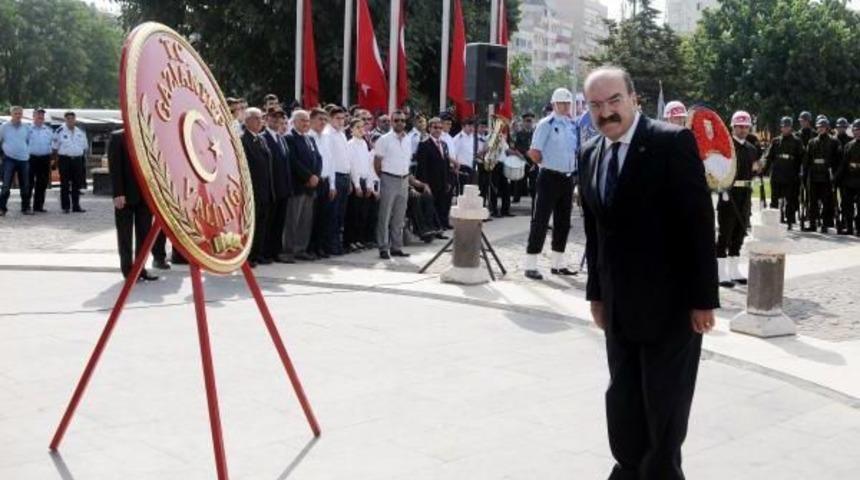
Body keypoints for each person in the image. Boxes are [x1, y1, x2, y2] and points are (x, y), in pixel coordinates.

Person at [579, 66, 718, 480]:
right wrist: (596, 293)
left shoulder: (670, 142)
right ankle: (627, 470)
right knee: (622, 402)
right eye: (596, 105)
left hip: (670, 308)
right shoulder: (589, 152)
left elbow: (698, 225)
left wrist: (703, 300)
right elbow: (595, 232)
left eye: (614, 100)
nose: (606, 112)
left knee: (664, 410)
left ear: (634, 99)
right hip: (618, 308)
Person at [523, 87, 579, 280]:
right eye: (561, 103)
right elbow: (534, 152)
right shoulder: (546, 123)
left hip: (567, 178)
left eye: (567, 103)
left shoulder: (572, 125)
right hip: (549, 176)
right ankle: (531, 264)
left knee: (563, 222)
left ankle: (558, 263)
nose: (565, 106)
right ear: (554, 104)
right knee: (541, 220)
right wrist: (546, 164)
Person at [108, 129, 159, 281]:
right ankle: (127, 270)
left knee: (144, 234)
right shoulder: (118, 137)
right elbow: (114, 167)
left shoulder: (148, 135)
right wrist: (118, 193)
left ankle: (140, 268)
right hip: (125, 195)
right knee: (125, 235)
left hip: (145, 195)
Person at [716, 111, 759, 287]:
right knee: (725, 232)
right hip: (729, 192)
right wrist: (722, 188)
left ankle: (734, 269)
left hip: (745, 194)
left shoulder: (752, 149)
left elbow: (754, 170)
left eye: (746, 127)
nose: (743, 130)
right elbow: (717, 170)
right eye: (739, 127)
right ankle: (720, 272)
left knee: (739, 233)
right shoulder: (726, 147)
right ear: (733, 127)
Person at [374, 109, 413, 259]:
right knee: (385, 215)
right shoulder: (384, 140)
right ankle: (383, 247)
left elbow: (407, 161)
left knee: (399, 216)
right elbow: (377, 162)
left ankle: (396, 247)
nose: (400, 123)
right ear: (391, 122)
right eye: (396, 120)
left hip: (404, 179)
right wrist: (384, 176)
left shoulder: (408, 139)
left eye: (402, 120)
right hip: (389, 178)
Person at [284, 109, 322, 262]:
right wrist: (308, 176)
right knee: (293, 219)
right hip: (298, 185)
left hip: (311, 186)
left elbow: (318, 158)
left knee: (305, 220)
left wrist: (316, 175)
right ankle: (288, 250)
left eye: (307, 120)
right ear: (294, 122)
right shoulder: (289, 138)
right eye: (302, 120)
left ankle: (301, 248)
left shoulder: (310, 138)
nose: (306, 123)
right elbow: (293, 161)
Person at [241, 108, 275, 267]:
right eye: (257, 118)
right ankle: (247, 256)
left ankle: (257, 254)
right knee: (251, 225)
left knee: (261, 223)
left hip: (264, 189)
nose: (261, 122)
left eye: (261, 119)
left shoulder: (261, 139)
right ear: (248, 120)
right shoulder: (243, 140)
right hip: (252, 189)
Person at [261, 108, 293, 262]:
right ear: (267, 119)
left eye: (280, 118)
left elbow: (286, 164)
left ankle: (275, 251)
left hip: (283, 188)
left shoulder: (281, 138)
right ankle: (265, 252)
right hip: (271, 188)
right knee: (268, 222)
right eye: (273, 117)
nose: (277, 121)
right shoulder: (263, 138)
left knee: (279, 222)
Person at [763, 116, 804, 230]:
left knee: (790, 199)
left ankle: (789, 221)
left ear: (791, 127)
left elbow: (802, 158)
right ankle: (774, 221)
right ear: (781, 128)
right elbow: (769, 157)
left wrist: (801, 172)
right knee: (774, 199)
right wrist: (763, 170)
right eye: (783, 126)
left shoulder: (797, 141)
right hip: (777, 175)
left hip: (790, 175)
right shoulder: (776, 141)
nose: (785, 128)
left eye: (787, 126)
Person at [308, 108, 338, 258]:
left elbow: (331, 162)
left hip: (326, 182)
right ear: (312, 120)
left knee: (324, 217)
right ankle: (310, 248)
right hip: (314, 181)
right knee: (312, 217)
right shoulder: (308, 137)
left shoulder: (327, 138)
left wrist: (332, 185)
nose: (323, 122)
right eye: (320, 119)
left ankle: (320, 247)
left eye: (325, 120)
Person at [415, 117, 453, 233]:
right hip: (430, 181)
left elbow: (446, 163)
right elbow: (422, 167)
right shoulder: (424, 144)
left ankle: (440, 228)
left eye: (440, 128)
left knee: (442, 205)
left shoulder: (444, 144)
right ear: (429, 128)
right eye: (435, 127)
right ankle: (432, 229)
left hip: (442, 180)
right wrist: (424, 184)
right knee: (432, 207)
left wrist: (448, 181)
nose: (438, 130)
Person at [803, 116, 840, 233]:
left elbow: (837, 159)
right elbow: (807, 159)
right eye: (819, 127)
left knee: (827, 201)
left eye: (823, 127)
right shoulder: (812, 142)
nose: (821, 129)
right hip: (814, 176)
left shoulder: (834, 142)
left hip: (826, 176)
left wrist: (835, 175)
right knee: (812, 201)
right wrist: (804, 174)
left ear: (827, 128)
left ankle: (825, 224)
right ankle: (812, 224)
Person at [345, 118, 376, 251]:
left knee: (363, 213)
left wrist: (369, 185)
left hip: (364, 180)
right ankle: (350, 240)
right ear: (351, 130)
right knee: (353, 213)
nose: (360, 129)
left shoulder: (364, 143)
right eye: (357, 127)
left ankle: (359, 239)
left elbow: (368, 165)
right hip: (355, 181)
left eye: (362, 127)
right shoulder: (350, 144)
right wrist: (357, 185)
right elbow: (353, 166)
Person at [324, 106, 352, 255]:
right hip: (335, 176)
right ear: (330, 119)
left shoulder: (341, 134)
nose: (341, 121)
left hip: (345, 176)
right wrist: (332, 184)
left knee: (341, 214)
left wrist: (350, 179)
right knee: (332, 214)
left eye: (343, 118)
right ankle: (331, 245)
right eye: (337, 118)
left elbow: (346, 158)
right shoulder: (328, 134)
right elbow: (330, 160)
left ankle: (337, 243)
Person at [52, 111, 88, 213]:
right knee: (65, 184)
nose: (70, 120)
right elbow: (54, 147)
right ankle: (65, 207)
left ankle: (76, 206)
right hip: (65, 159)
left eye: (72, 118)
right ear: (65, 120)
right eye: (68, 119)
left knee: (77, 184)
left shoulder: (80, 132)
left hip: (77, 160)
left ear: (75, 119)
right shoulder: (59, 131)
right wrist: (55, 161)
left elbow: (84, 147)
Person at [0, 106, 32, 216]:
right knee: (6, 185)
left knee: (25, 185)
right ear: (11, 114)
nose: (18, 115)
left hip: (24, 159)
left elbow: (28, 141)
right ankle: (2, 208)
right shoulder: (4, 127)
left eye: (20, 113)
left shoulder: (26, 127)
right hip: (9, 159)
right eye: (16, 113)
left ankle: (26, 208)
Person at [836, 119, 860, 236]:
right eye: (855, 130)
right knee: (847, 205)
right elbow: (843, 164)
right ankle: (849, 227)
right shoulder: (848, 145)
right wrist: (836, 178)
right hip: (849, 180)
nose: (857, 132)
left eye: (859, 130)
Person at [27, 108, 53, 213]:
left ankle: (38, 206)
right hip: (30, 158)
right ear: (33, 117)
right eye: (38, 116)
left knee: (42, 183)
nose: (40, 118)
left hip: (44, 158)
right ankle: (26, 206)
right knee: (28, 183)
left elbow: (52, 144)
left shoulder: (48, 130)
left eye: (42, 117)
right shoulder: (27, 129)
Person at [512, 112, 536, 204]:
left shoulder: (535, 134)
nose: (529, 123)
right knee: (520, 179)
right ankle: (516, 198)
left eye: (530, 121)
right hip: (522, 158)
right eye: (527, 121)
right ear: (523, 122)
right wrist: (521, 154)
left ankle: (534, 198)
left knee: (533, 180)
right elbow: (516, 147)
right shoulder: (519, 134)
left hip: (533, 160)